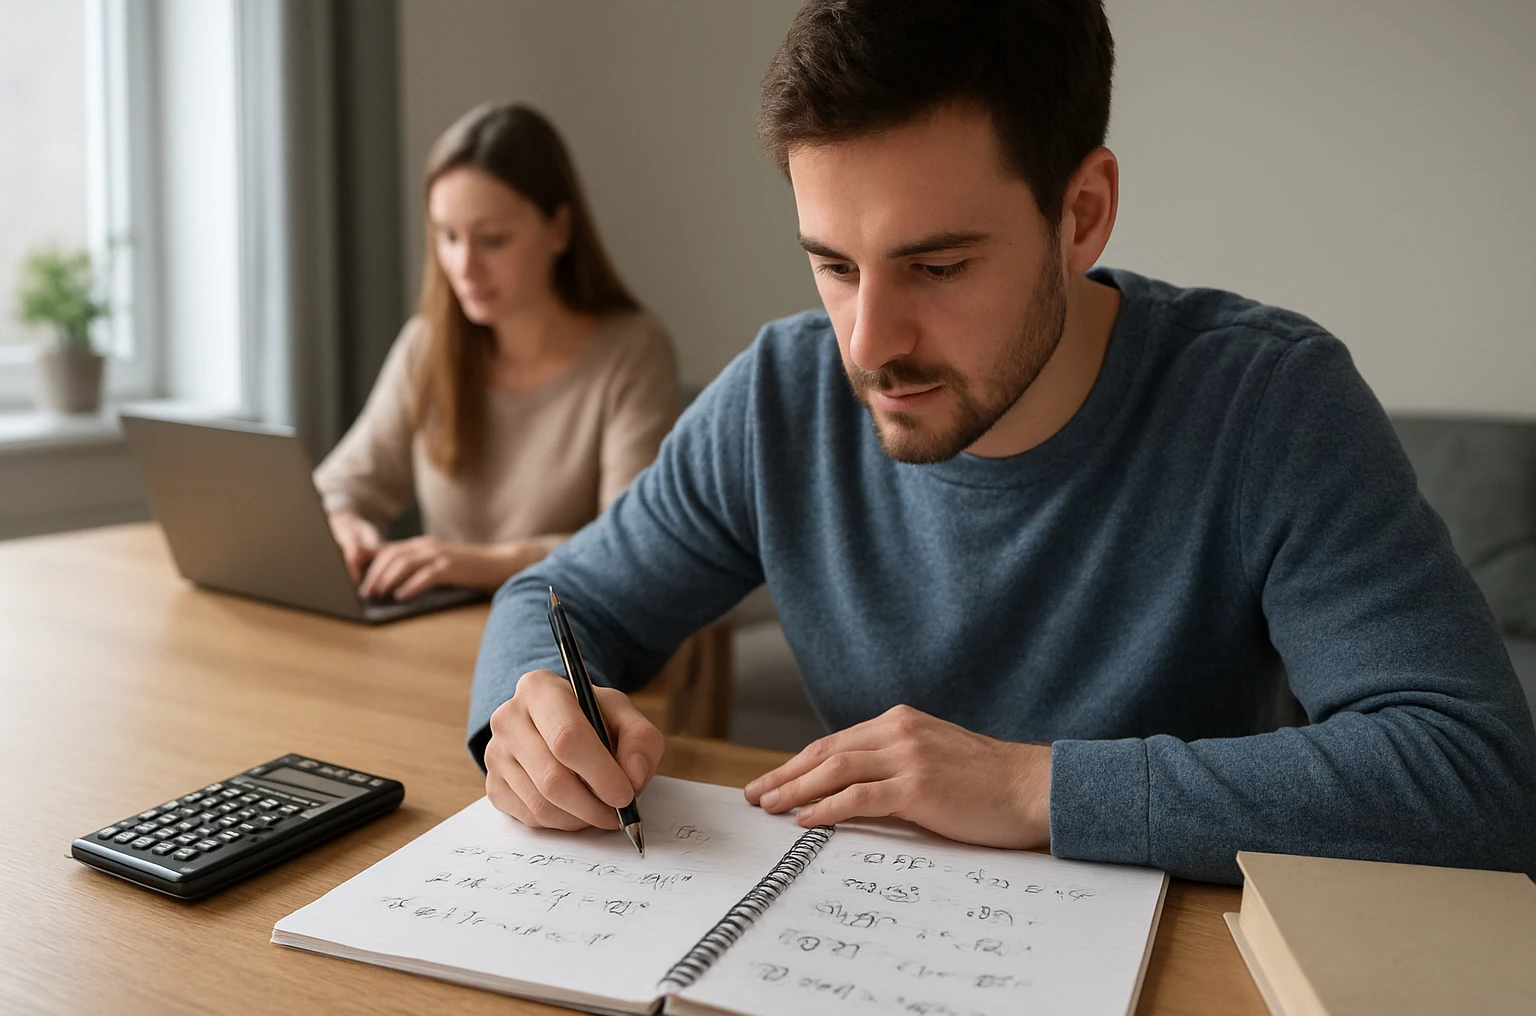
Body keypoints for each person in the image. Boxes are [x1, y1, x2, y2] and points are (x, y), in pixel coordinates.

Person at [466, 1, 1536, 883]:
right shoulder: (779, 398)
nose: (867, 345)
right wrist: (531, 714)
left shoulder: (1270, 405)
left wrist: (1035, 785)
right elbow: (559, 600)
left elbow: (1479, 775)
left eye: (937, 267)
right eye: (834, 265)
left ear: (1083, 213)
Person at [314, 102, 678, 602]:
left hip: (566, 627)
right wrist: (343, 524)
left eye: (492, 240)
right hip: (441, 627)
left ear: (559, 229)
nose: (464, 266)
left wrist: (481, 564)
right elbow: (340, 485)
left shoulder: (632, 352)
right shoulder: (426, 345)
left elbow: (632, 544)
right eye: (447, 237)